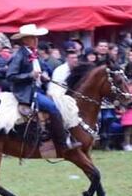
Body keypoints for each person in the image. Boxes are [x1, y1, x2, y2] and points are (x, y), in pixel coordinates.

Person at [6, 24, 80, 155]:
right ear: (25, 40)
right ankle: (63, 143)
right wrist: (29, 75)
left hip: (39, 90)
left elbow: (45, 68)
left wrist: (45, 74)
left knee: (61, 103)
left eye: (36, 37)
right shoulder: (19, 56)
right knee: (52, 107)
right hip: (27, 92)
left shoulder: (34, 53)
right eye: (33, 37)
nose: (36, 40)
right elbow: (10, 76)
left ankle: (63, 135)